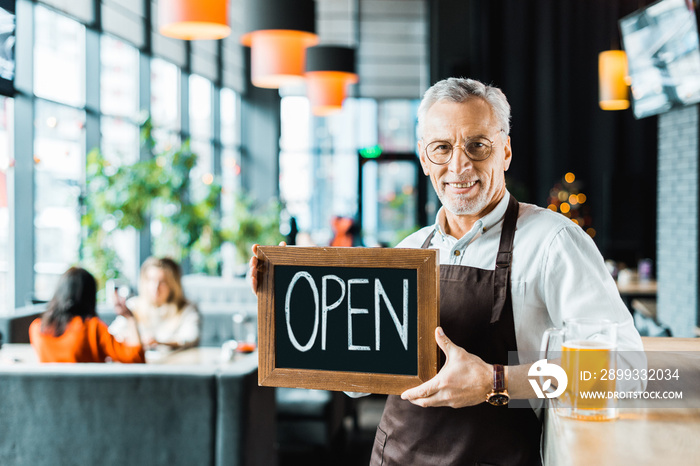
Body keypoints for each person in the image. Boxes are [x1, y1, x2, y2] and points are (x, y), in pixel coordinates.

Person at [249, 77, 645, 465]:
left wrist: (497, 381)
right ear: (424, 157)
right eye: (442, 148)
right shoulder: (408, 251)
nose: (460, 165)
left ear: (504, 152)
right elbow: (356, 381)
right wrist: (290, 301)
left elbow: (627, 371)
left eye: (477, 145)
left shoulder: (553, 242)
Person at [29, 267, 145, 363]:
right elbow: (136, 359)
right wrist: (130, 318)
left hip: (50, 391)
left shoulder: (37, 328)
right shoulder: (92, 328)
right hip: (89, 390)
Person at [109, 257, 200, 351]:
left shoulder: (186, 309)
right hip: (140, 363)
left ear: (173, 285)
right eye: (151, 280)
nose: (155, 287)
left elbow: (190, 338)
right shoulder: (133, 306)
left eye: (163, 282)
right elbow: (112, 334)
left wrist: (158, 342)